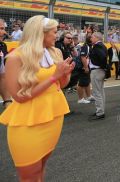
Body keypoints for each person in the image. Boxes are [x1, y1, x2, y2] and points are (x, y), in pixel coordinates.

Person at [0, 15, 74, 181]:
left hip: (53, 117)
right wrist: (54, 76)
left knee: (40, 169)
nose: (57, 36)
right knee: (29, 175)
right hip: (27, 122)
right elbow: (19, 97)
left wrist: (65, 74)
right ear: (40, 33)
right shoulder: (15, 58)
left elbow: (60, 85)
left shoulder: (55, 52)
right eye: (54, 32)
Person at [88, 32, 108, 121]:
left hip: (97, 71)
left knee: (97, 92)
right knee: (100, 91)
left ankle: (100, 112)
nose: (90, 38)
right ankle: (100, 110)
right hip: (99, 70)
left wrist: (102, 66)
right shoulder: (101, 45)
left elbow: (103, 57)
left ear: (96, 37)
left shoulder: (98, 46)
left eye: (92, 37)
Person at [0, 19, 12, 108]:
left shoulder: (3, 46)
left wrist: (7, 100)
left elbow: (2, 76)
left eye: (3, 28)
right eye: (1, 28)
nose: (4, 32)